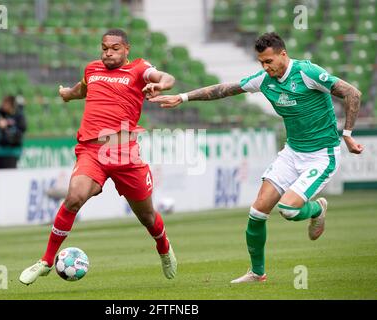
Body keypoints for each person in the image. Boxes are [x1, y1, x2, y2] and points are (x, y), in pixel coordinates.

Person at [150, 32, 364, 283]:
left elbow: (353, 93)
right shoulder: (264, 79)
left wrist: (347, 134)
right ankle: (257, 273)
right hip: (292, 153)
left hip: (321, 155)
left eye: (269, 61)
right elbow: (225, 89)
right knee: (257, 212)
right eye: (261, 62)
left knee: (288, 209)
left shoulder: (308, 72)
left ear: (283, 54)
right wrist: (183, 97)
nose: (265, 67)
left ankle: (317, 209)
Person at [19, 28, 177, 285]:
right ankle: (46, 261)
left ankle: (163, 246)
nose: (108, 53)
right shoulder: (92, 69)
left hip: (125, 153)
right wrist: (67, 95)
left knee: (147, 216)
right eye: (105, 48)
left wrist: (161, 84)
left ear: (127, 49)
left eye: (115, 48)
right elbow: (83, 88)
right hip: (92, 151)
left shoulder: (139, 69)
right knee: (74, 198)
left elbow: (165, 77)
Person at [0, 95, 26, 169]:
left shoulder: (18, 115)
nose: (3, 105)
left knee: (10, 175)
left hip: (12, 152)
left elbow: (22, 129)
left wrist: (7, 125)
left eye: (5, 103)